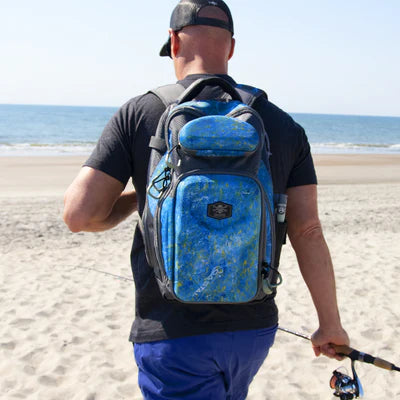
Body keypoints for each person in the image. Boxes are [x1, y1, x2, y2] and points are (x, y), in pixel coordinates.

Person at [63, 0, 350, 398]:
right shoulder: (282, 125)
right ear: (231, 48)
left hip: (171, 331)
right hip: (254, 328)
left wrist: (141, 196)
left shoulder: (141, 112)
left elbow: (79, 216)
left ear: (174, 42)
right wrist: (329, 323)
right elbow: (308, 229)